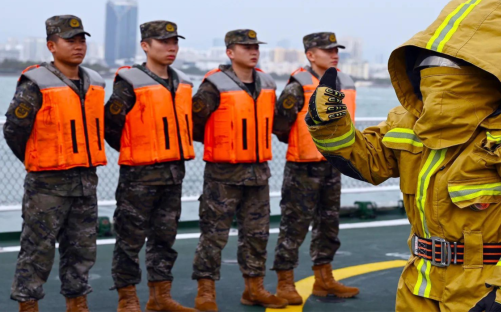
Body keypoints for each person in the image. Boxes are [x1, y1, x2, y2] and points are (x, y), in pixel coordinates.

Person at [304, 0, 501, 312]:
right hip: (419, 284)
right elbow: (371, 163)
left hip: (488, 290)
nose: (437, 69)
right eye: (433, 60)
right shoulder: (409, 118)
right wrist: (332, 126)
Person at [4, 15, 106, 312]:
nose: (78, 46)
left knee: (82, 250)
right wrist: (37, 157)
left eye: (81, 40)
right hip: (47, 184)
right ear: (51, 45)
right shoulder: (36, 82)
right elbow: (14, 130)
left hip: (85, 181)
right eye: (70, 40)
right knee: (37, 251)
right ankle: (28, 306)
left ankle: (77, 305)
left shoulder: (95, 82)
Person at [191, 29, 287, 310]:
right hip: (223, 174)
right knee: (213, 235)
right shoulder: (213, 85)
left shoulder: (267, 83)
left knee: (257, 235)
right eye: (245, 47)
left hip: (258, 173)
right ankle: (206, 291)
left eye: (256, 46)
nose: (253, 51)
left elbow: (277, 121)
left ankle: (254, 288)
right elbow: (195, 123)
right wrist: (221, 143)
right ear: (230, 53)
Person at [104, 21, 196, 312]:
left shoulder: (181, 83)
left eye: (174, 42)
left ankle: (160, 296)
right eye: (164, 42)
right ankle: (128, 299)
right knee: (130, 240)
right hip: (139, 176)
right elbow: (111, 126)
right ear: (146, 46)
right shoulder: (129, 81)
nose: (171, 47)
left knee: (164, 238)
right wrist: (138, 149)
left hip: (173, 174)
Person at [271, 32, 359, 305]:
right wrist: (303, 143)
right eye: (327, 49)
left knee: (328, 225)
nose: (334, 54)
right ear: (310, 54)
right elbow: (280, 124)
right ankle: (285, 283)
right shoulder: (297, 85)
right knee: (294, 227)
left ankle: (324, 278)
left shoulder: (345, 81)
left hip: (334, 165)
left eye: (336, 49)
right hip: (302, 168)